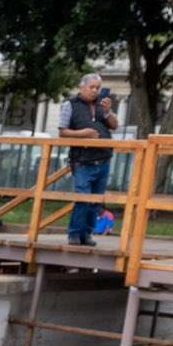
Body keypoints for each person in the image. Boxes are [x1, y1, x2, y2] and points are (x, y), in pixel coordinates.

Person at [57, 73, 117, 246]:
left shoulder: (102, 105)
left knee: (96, 201)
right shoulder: (70, 105)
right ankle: (74, 234)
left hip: (103, 158)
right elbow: (62, 131)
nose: (94, 91)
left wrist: (108, 112)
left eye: (97, 88)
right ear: (82, 87)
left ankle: (87, 234)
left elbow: (114, 125)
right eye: (91, 87)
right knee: (83, 198)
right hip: (82, 160)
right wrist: (83, 134)